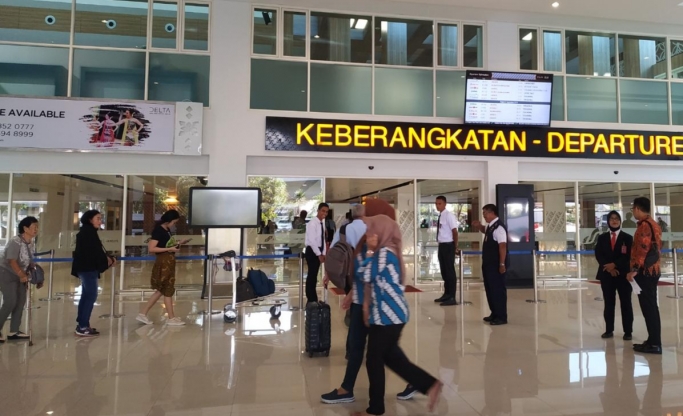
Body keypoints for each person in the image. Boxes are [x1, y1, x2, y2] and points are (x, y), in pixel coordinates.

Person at [352, 214, 442, 416]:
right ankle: (430, 385)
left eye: (373, 229)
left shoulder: (383, 252)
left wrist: (370, 251)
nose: (369, 233)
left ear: (382, 232)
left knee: (374, 359)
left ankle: (375, 410)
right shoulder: (387, 251)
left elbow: (366, 274)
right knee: (392, 357)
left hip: (388, 316)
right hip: (388, 315)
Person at [136, 210, 190, 326]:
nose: (174, 225)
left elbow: (167, 245)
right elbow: (152, 248)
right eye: (174, 222)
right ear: (169, 221)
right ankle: (144, 313)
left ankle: (170, 317)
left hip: (169, 261)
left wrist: (179, 243)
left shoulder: (167, 230)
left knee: (166, 289)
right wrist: (169, 249)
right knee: (162, 289)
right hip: (163, 262)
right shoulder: (158, 231)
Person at [626, 197, 663, 355]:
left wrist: (635, 269)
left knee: (649, 307)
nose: (633, 212)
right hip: (652, 270)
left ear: (637, 208)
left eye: (633, 209)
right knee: (651, 307)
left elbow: (643, 248)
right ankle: (653, 340)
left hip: (645, 272)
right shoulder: (653, 224)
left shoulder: (645, 226)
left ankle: (654, 343)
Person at [71, 210, 116, 337]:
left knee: (86, 296)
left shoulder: (88, 232)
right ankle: (83, 326)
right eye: (97, 218)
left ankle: (82, 323)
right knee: (91, 295)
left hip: (86, 268)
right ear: (90, 219)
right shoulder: (88, 233)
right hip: (87, 269)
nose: (100, 221)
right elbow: (94, 253)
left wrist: (107, 259)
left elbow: (96, 251)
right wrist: (107, 261)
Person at [0, 217, 41, 342]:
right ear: (25, 228)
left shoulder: (31, 242)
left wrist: (36, 276)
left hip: (22, 275)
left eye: (37, 227)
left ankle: (14, 331)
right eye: (34, 227)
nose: (36, 229)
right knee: (10, 301)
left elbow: (30, 260)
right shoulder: (15, 241)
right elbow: (11, 260)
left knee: (20, 301)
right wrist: (21, 274)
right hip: (7, 274)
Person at [594, 210, 634, 340]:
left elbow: (628, 256)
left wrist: (615, 265)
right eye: (612, 219)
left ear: (620, 221)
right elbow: (599, 254)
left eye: (617, 219)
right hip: (607, 274)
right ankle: (609, 330)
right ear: (608, 221)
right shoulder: (602, 238)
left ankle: (628, 332)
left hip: (623, 275)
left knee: (626, 303)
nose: (614, 221)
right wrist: (609, 267)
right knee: (609, 303)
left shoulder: (627, 238)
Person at [472, 204, 509, 326]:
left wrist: (502, 263)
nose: (484, 216)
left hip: (496, 264)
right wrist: (479, 227)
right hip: (488, 264)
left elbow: (502, 246)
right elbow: (486, 231)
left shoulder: (499, 228)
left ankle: (501, 316)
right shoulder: (491, 226)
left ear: (492, 213)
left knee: (497, 290)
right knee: (490, 289)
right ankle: (494, 313)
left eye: (485, 214)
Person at [434, 196, 459, 306]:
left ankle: (452, 296)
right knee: (444, 270)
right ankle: (447, 294)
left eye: (439, 203)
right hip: (442, 246)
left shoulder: (449, 215)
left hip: (449, 245)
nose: (437, 205)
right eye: (436, 203)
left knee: (449, 271)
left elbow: (455, 231)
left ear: (445, 204)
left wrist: (455, 246)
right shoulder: (441, 215)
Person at [304, 203, 329, 304]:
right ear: (318, 211)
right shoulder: (312, 223)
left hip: (318, 251)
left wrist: (323, 253)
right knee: (312, 275)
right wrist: (319, 254)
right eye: (323, 211)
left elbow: (322, 240)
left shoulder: (321, 223)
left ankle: (313, 298)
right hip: (312, 251)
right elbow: (312, 241)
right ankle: (311, 298)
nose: (325, 213)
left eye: (326, 212)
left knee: (314, 276)